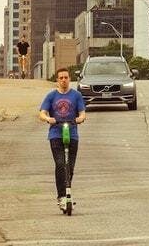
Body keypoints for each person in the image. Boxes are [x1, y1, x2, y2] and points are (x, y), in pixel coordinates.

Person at [38, 67, 86, 211]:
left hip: (72, 134)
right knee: (60, 164)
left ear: (69, 79)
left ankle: (67, 194)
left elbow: (83, 113)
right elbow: (42, 113)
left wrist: (79, 119)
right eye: (61, 78)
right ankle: (62, 197)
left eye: (66, 77)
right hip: (56, 134)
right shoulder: (51, 96)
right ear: (57, 80)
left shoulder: (76, 95)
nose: (64, 80)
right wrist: (48, 118)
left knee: (69, 167)